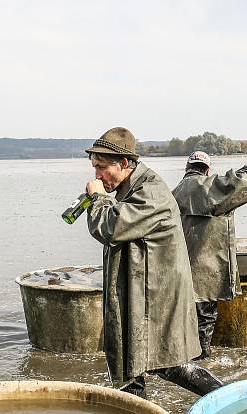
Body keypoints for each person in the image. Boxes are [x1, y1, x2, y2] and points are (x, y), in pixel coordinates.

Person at [83, 127, 223, 398]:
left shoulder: (152, 193)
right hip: (140, 294)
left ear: (124, 164)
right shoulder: (130, 186)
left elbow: (110, 227)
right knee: (130, 367)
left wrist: (97, 198)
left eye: (101, 168)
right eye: (94, 168)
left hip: (157, 298)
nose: (97, 176)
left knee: (169, 363)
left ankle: (226, 401)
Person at [171, 151, 247, 359]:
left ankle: (185, 356)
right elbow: (245, 185)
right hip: (207, 269)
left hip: (178, 268)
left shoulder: (173, 192)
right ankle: (202, 358)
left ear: (187, 168)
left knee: (184, 316)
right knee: (205, 315)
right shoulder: (211, 188)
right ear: (207, 170)